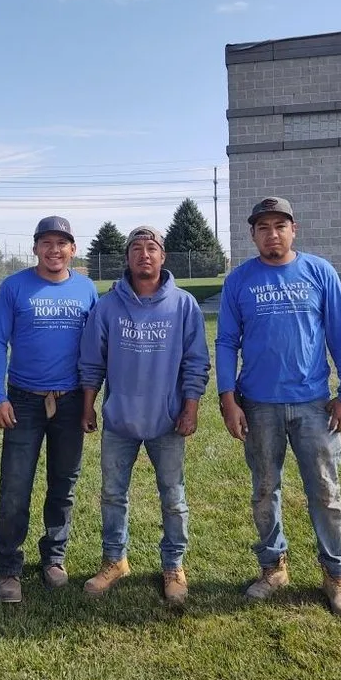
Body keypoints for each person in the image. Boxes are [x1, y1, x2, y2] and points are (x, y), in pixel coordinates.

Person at [215, 196, 341, 619]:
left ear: (293, 230)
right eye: (263, 227)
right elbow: (226, 342)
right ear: (252, 235)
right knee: (265, 490)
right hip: (258, 405)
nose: (272, 234)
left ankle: (336, 576)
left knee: (326, 492)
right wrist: (228, 398)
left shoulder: (319, 272)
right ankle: (272, 567)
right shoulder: (239, 280)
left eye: (280, 226)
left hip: (314, 405)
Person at [78, 226, 210, 605]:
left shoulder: (183, 305)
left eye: (152, 248)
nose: (144, 254)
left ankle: (173, 565)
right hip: (120, 420)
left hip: (167, 421)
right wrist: (88, 405)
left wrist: (190, 408)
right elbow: (92, 360)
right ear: (128, 258)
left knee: (173, 497)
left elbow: (196, 362)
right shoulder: (108, 306)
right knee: (112, 495)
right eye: (136, 249)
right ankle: (114, 560)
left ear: (163, 256)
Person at [0, 216, 98, 603]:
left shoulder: (86, 289)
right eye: (46, 243)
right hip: (23, 400)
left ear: (73, 249)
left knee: (63, 484)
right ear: (35, 248)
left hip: (70, 400)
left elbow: (96, 349)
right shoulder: (14, 287)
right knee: (15, 487)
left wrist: (90, 401)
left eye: (62, 243)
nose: (54, 250)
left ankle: (54, 557)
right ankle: (8, 567)